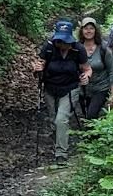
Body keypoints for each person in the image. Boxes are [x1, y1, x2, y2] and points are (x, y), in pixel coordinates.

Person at [33, 20, 91, 166]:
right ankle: (59, 143)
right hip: (50, 88)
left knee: (61, 119)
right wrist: (37, 69)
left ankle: (61, 154)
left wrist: (86, 76)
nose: (63, 44)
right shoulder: (48, 48)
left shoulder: (78, 49)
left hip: (70, 88)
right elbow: (39, 67)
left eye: (66, 41)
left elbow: (87, 69)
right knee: (54, 121)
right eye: (60, 41)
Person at [78, 16, 113, 119]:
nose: (88, 31)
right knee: (87, 115)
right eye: (86, 28)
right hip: (83, 89)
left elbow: (112, 71)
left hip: (101, 87)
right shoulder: (77, 48)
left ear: (96, 30)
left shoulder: (104, 49)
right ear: (81, 31)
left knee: (91, 114)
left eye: (91, 28)